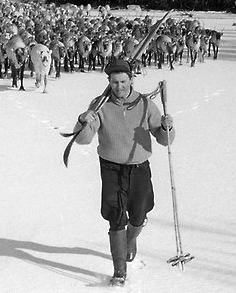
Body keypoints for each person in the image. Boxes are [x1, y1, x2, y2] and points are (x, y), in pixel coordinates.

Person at [74, 58, 174, 287]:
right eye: (115, 82)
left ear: (131, 80)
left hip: (139, 167)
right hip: (110, 167)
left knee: (139, 214)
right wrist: (83, 121)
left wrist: (166, 127)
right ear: (109, 82)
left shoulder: (145, 104)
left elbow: (163, 138)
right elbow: (83, 139)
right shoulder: (99, 104)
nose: (119, 86)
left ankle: (131, 237)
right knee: (115, 215)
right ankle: (119, 270)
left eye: (123, 81)